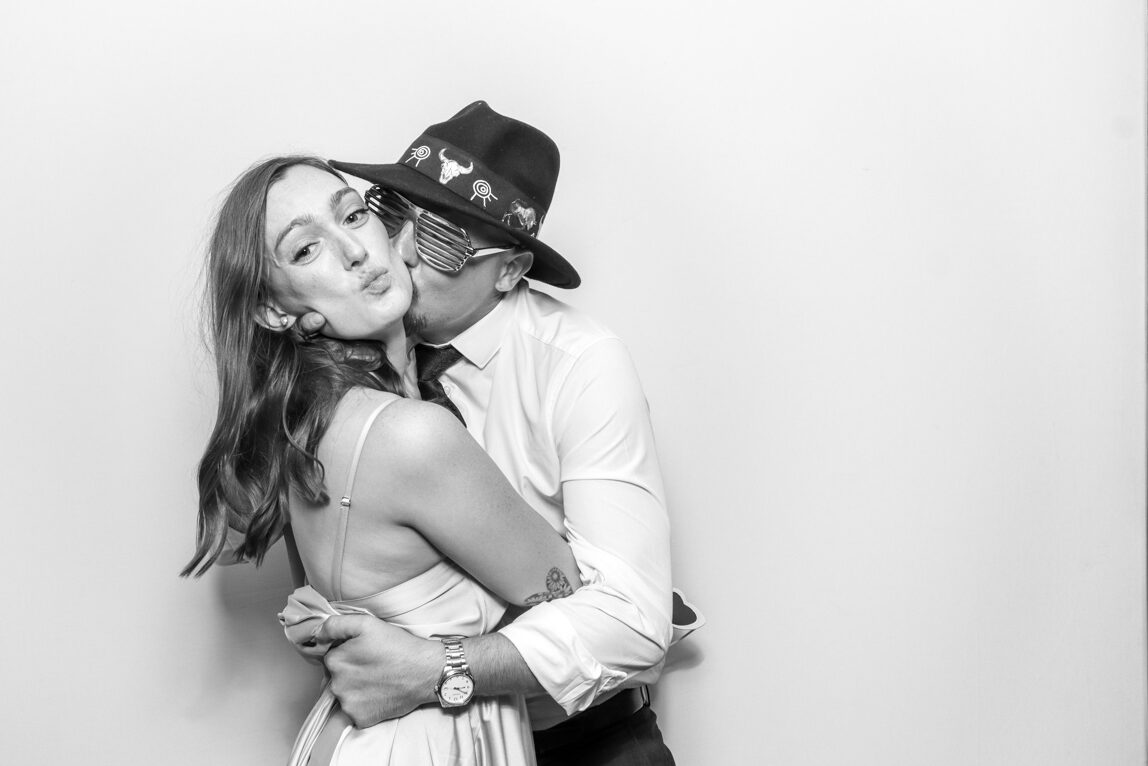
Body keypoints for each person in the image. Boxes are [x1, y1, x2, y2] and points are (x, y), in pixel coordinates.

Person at [300, 101, 686, 766]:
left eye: (446, 242)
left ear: (508, 272)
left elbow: (633, 621)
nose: (402, 252)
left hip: (584, 742)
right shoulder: (345, 354)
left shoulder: (578, 363)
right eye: (392, 217)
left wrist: (432, 666)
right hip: (429, 743)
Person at [182, 155, 586, 765]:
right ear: (276, 310)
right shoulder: (412, 438)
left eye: (354, 214)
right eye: (305, 250)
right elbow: (578, 607)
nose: (353, 250)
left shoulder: (304, 429)